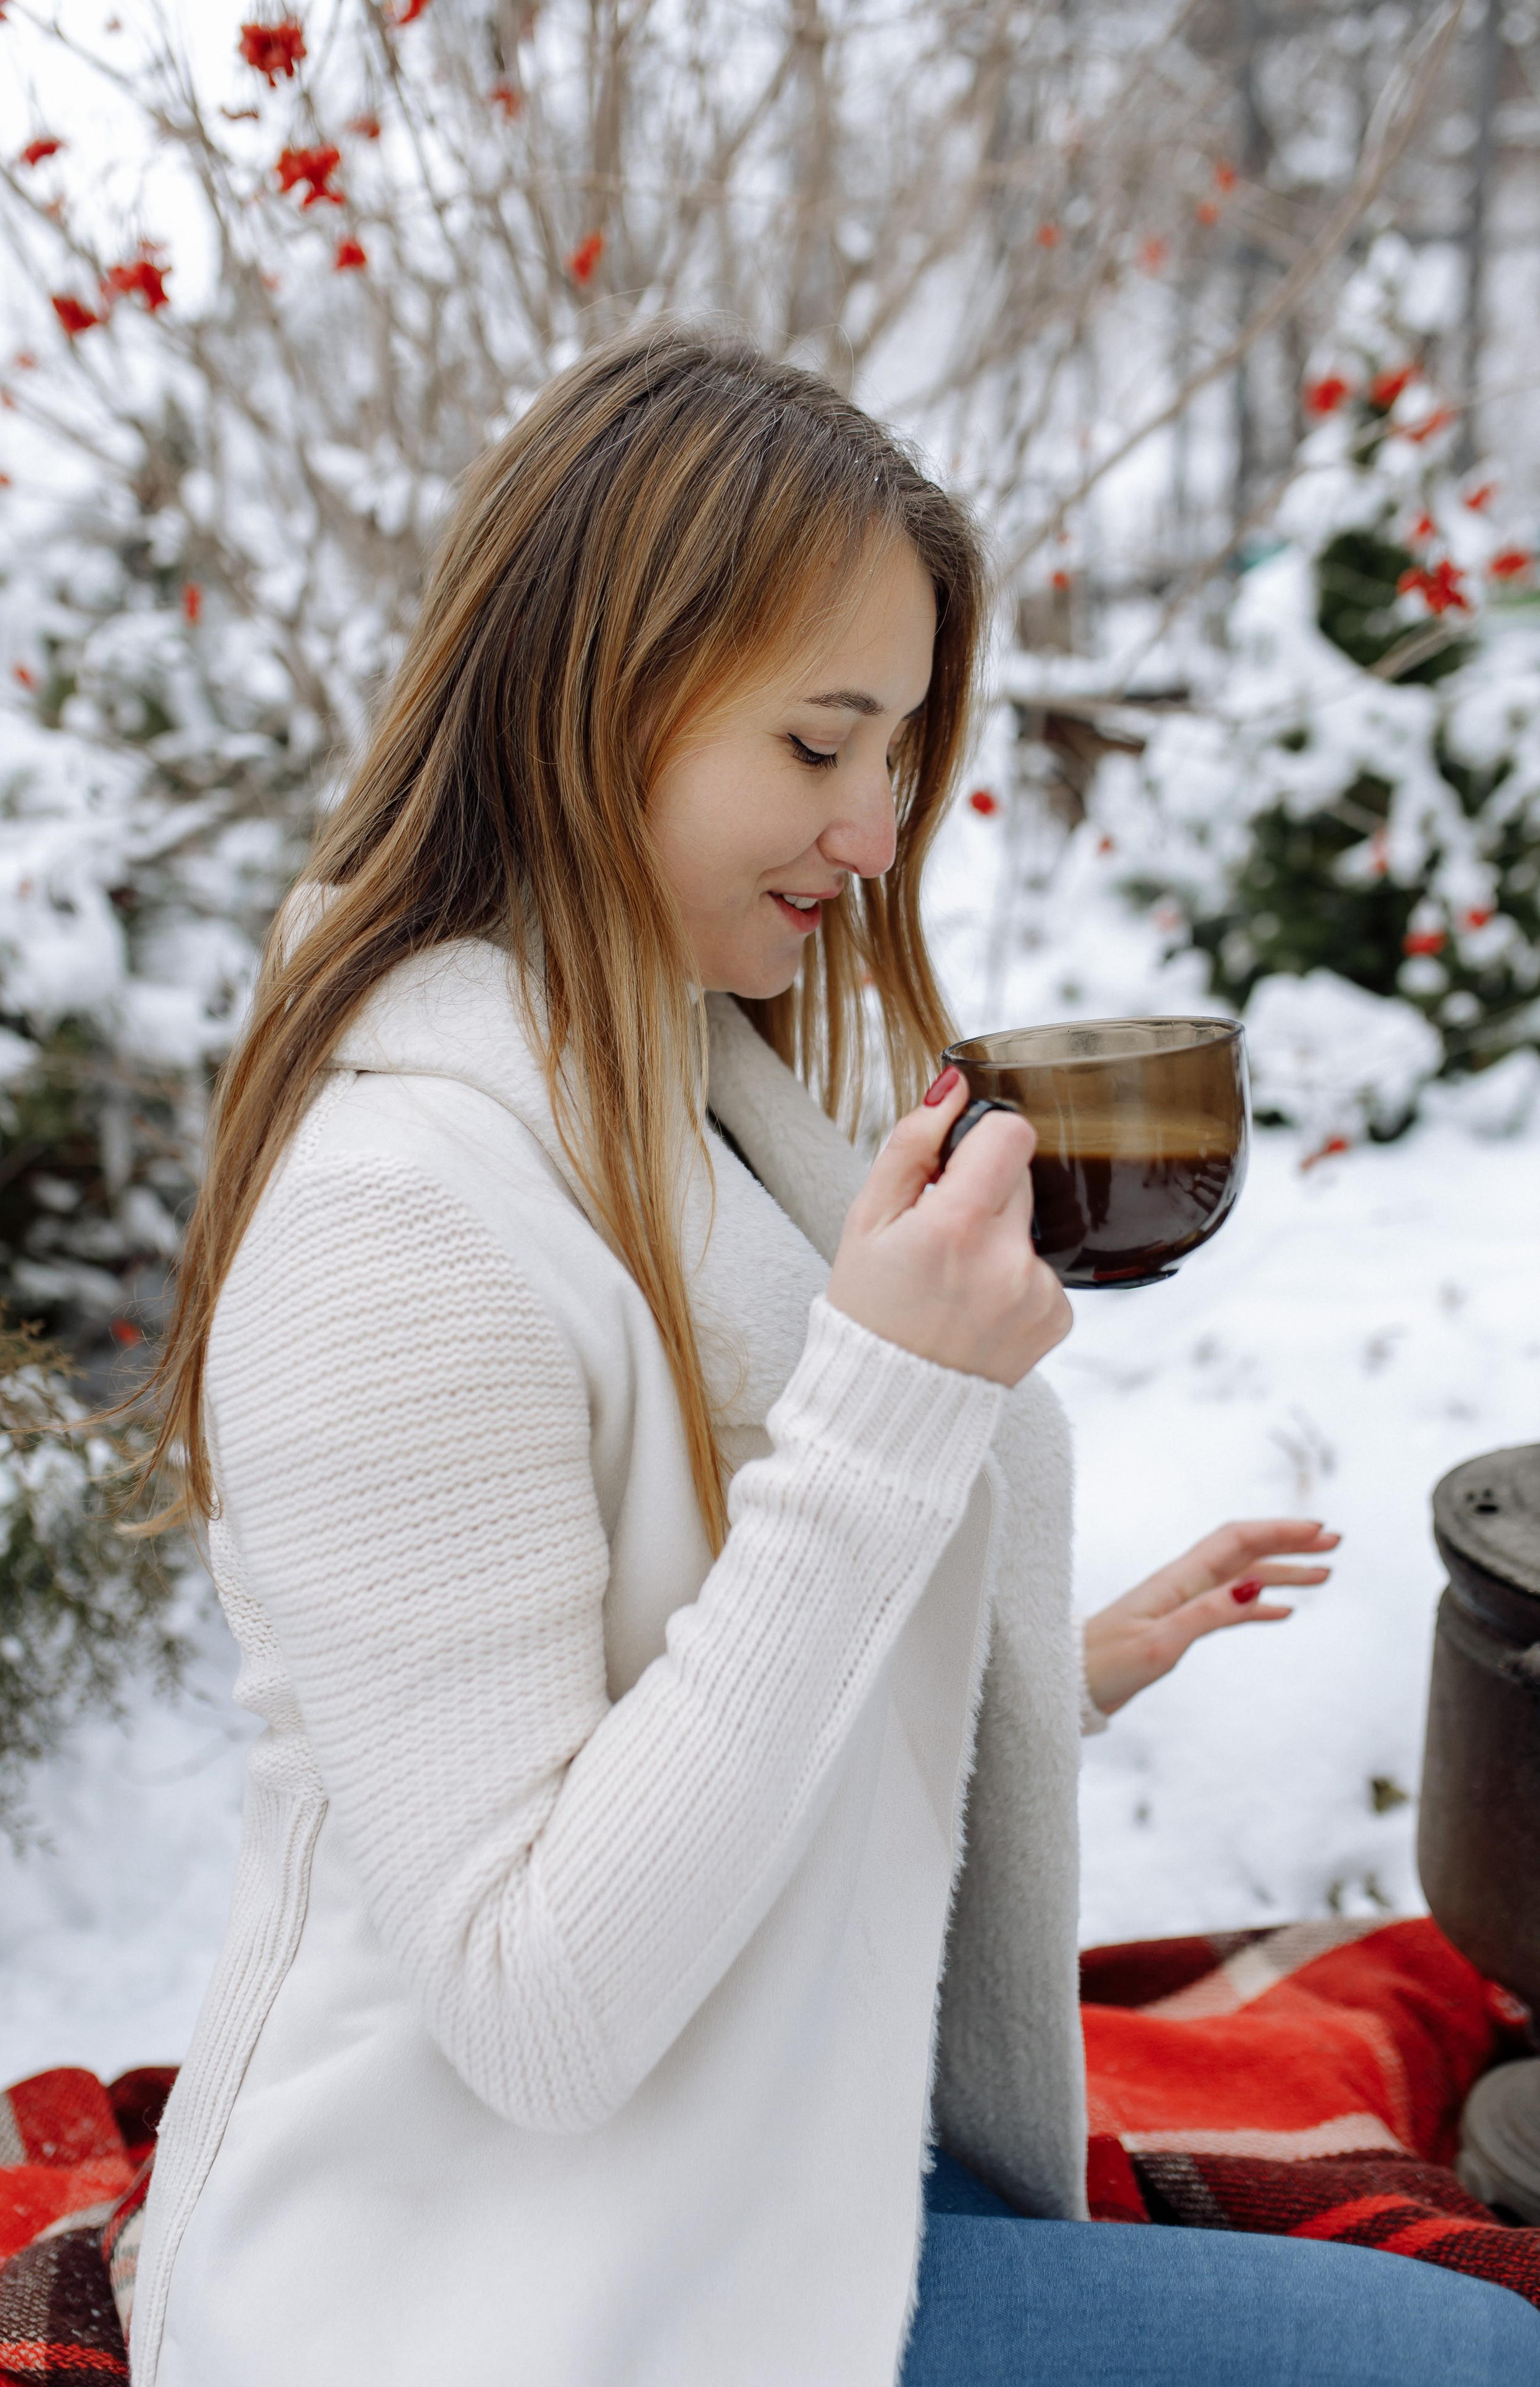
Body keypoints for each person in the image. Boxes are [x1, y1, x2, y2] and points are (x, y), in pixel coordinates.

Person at [128, 325, 1540, 2386]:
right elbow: (538, 2001)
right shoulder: (393, 1222)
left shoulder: (665, 1075)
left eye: (898, 759)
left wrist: (1059, 1673)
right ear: (587, 701)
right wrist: (888, 1424)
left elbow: (683, 1689)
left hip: (775, 2146)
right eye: (818, 747)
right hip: (504, 2287)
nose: (875, 836)